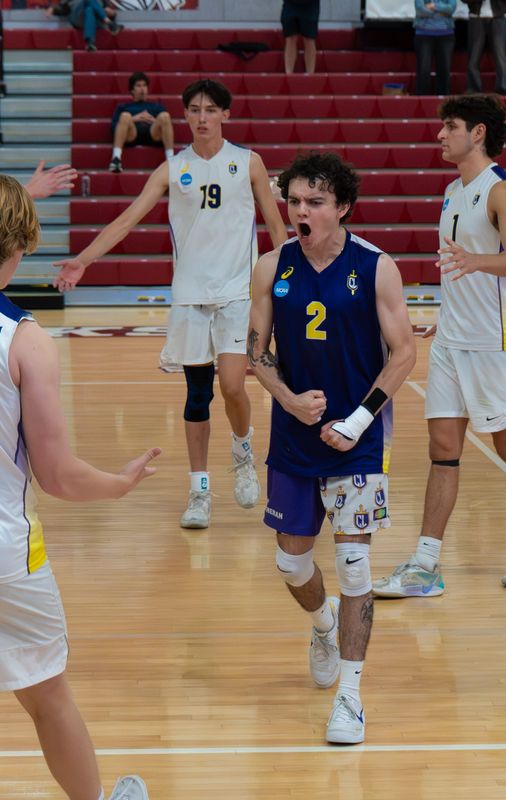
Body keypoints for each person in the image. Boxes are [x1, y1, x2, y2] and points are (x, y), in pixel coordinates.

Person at [54, 79, 288, 530]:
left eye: (211, 109)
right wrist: (83, 260)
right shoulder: (171, 168)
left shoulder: (248, 163)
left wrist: (287, 287)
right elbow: (126, 220)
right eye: (194, 110)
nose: (202, 117)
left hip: (239, 293)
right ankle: (199, 489)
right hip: (190, 298)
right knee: (197, 395)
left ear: (226, 115)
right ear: (185, 116)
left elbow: (277, 230)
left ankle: (243, 451)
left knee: (235, 385)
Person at [248, 151, 416, 744]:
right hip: (293, 436)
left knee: (354, 562)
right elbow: (257, 353)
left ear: (342, 206)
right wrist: (289, 399)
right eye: (294, 201)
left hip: (359, 442)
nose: (301, 211)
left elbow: (403, 354)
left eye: (315, 202)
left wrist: (360, 419)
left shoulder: (377, 267)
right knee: (292, 560)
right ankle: (321, 623)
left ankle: (350, 696)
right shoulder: (271, 267)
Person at [0, 174, 159, 800]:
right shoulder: (25, 341)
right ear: (19, 246)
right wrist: (118, 485)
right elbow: (60, 475)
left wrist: (18, 197)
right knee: (46, 696)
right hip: (7, 552)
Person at [373, 94, 506, 599]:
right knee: (442, 448)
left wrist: (479, 263)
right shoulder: (452, 191)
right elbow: (457, 267)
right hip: (455, 337)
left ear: (477, 133)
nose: (440, 134)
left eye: (450, 126)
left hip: (498, 339)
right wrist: (446, 315)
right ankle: (425, 564)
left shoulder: (502, 190)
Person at [109, 72, 175, 174]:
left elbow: (168, 127)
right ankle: (116, 159)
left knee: (165, 116)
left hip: (153, 134)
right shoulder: (123, 107)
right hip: (131, 134)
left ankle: (171, 161)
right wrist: (133, 119)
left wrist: (154, 121)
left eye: (144, 85)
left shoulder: (156, 106)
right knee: (125, 116)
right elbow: (114, 128)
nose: (142, 89)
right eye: (138, 86)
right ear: (132, 90)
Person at [462, 0, 506, 96]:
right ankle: (473, 88)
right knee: (474, 56)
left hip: (498, 17)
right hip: (476, 17)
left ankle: (503, 87)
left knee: (500, 55)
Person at [414, 0, 457, 96]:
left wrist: (433, 6)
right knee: (423, 71)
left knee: (444, 71)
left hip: (446, 34)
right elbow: (420, 10)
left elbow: (451, 9)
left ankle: (443, 102)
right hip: (423, 33)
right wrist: (441, 11)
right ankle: (422, 100)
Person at [46, 0, 122, 52]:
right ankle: (109, 24)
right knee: (89, 7)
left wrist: (113, 14)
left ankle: (90, 43)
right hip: (77, 17)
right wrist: (54, 8)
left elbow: (107, 8)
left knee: (89, 9)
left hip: (96, 19)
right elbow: (63, 7)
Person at [281, 0, 321, 75]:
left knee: (309, 39)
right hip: (290, 4)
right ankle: (288, 74)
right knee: (290, 38)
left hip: (310, 6)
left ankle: (310, 75)